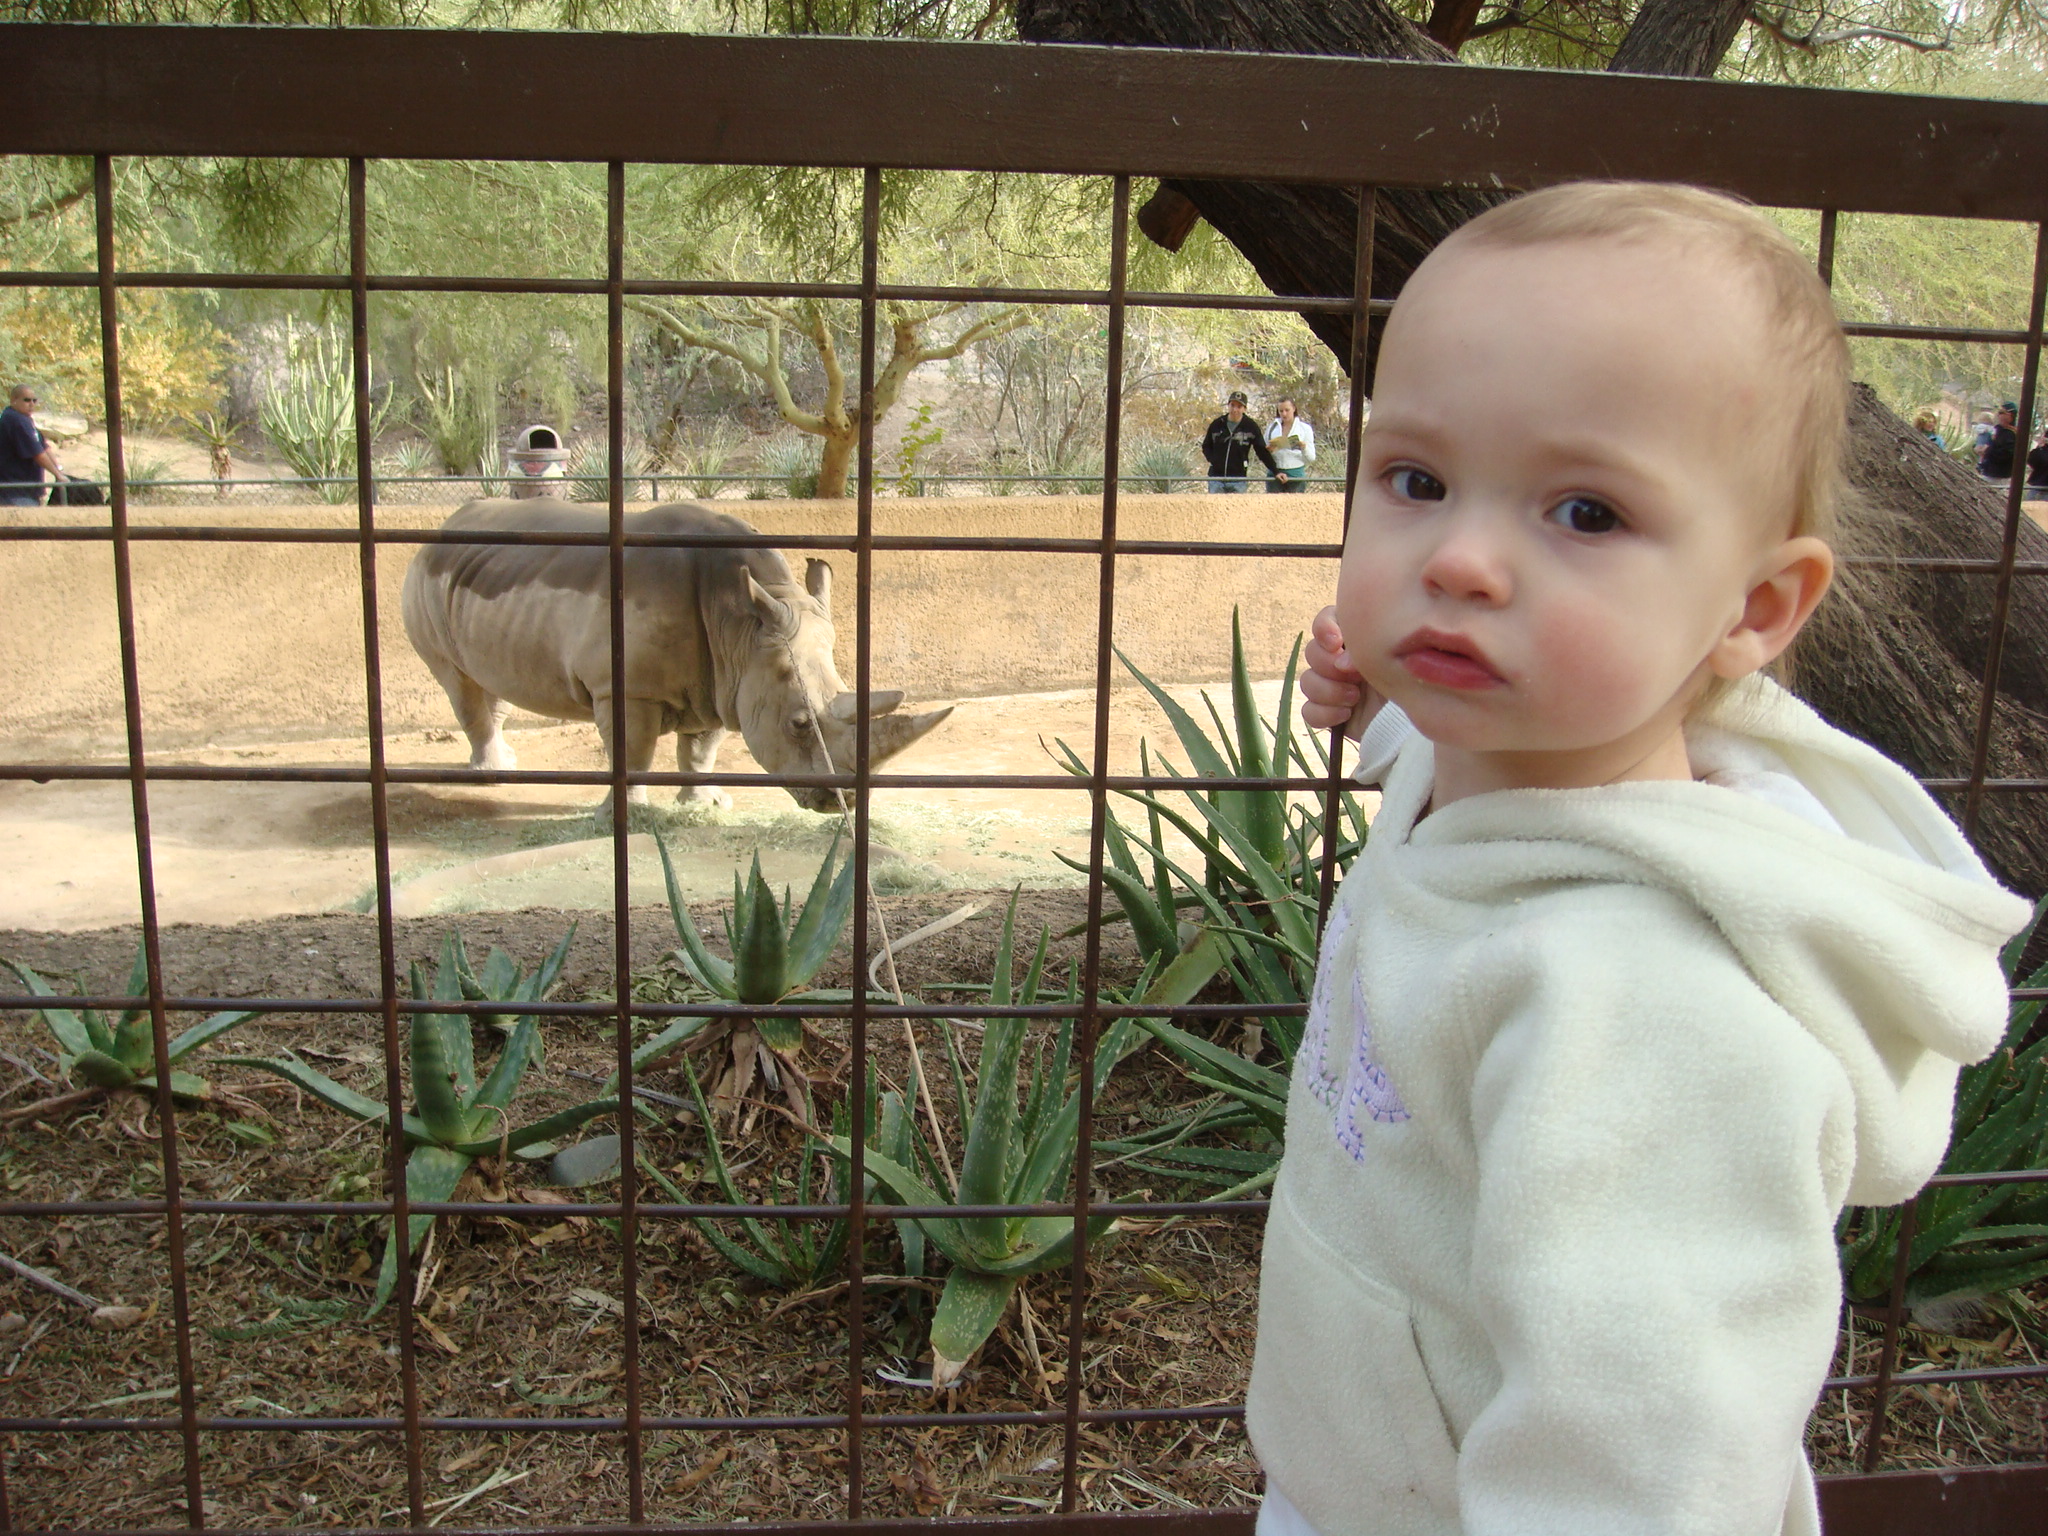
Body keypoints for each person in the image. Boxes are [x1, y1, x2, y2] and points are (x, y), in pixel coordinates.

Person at [1261, 182, 2028, 1536]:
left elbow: (1644, 1461)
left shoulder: (1657, 1014)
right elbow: (1435, 768)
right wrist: (1377, 699)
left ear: (1754, 607)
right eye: (1418, 482)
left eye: (1587, 515)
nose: (1462, 561)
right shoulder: (1512, 757)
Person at [1201, 389, 1279, 492]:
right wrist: (1214, 460)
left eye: (1239, 406)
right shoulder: (1217, 424)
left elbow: (1261, 451)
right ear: (1228, 405)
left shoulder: (1251, 427)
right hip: (1216, 478)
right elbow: (1206, 446)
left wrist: (1276, 471)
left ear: (1244, 409)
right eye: (1232, 405)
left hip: (1238, 479)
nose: (1235, 410)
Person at [0, 384, 61, 506]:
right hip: (15, 492)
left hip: (26, 490)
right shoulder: (15, 420)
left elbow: (43, 447)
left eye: (34, 400)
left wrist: (59, 469)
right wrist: (57, 474)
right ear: (14, 400)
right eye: (26, 400)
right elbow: (37, 454)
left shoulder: (24, 419)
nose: (31, 404)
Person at [1265, 398, 1317, 491]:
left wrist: (1303, 448)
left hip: (1295, 473)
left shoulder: (1304, 429)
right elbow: (1263, 452)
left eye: (1287, 410)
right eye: (1281, 411)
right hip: (1275, 472)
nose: (1284, 414)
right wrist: (1269, 450)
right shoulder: (1272, 428)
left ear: (1294, 408)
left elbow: (1311, 458)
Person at [1980, 402, 2020, 481]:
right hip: (1989, 471)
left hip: (2000, 475)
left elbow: (2005, 454)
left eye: (2002, 413)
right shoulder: (1998, 430)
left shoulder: (2011, 434)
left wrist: (1987, 451)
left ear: (2010, 415)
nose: (1999, 415)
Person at [2027, 425, 2048, 502]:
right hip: (2038, 485)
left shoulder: (2040, 451)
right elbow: (2031, 461)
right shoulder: (2040, 451)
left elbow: (2031, 461)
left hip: (2039, 484)